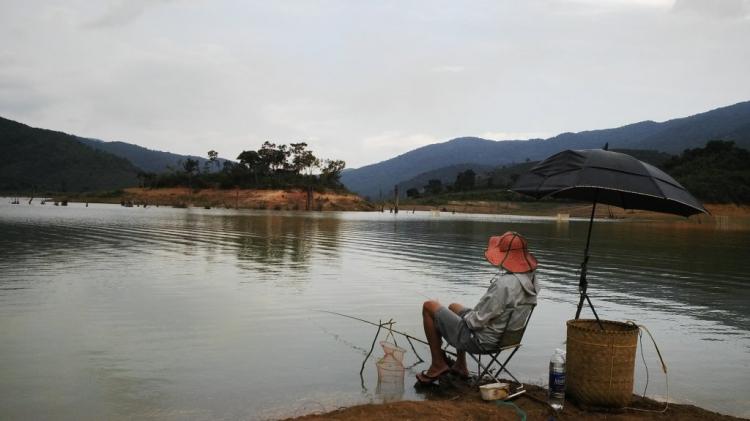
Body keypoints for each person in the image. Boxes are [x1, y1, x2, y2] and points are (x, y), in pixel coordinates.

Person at [417, 231, 540, 385]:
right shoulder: (532, 282)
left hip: (482, 341)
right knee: (454, 307)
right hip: (506, 339)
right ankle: (461, 365)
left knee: (429, 306)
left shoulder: (504, 284)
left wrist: (468, 316)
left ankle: (437, 364)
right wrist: (469, 314)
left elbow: (476, 322)